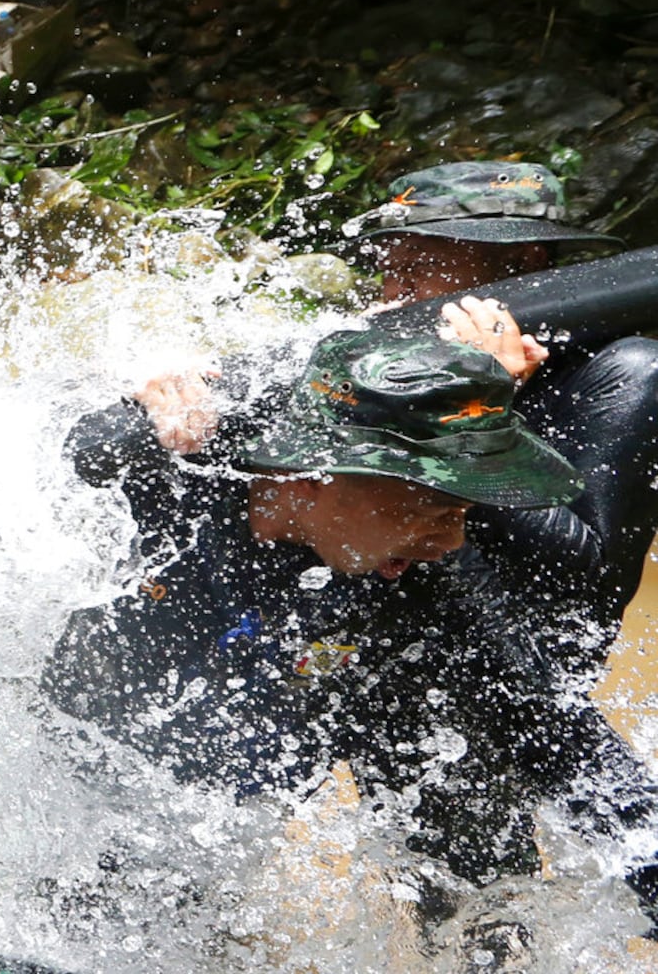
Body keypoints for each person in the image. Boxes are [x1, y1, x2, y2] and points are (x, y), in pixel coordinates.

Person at [42, 324, 658, 934]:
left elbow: (566, 744)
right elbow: (26, 473)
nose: (448, 541)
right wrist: (145, 392)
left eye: (463, 514)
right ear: (318, 471)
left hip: (225, 808)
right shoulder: (172, 473)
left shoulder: (429, 578)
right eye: (434, 509)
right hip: (70, 779)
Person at [346, 160, 658, 684]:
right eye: (388, 266)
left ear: (522, 264)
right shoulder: (387, 368)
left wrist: (477, 418)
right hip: (370, 660)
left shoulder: (626, 372)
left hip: (512, 682)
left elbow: (588, 585)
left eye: (417, 266)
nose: (393, 292)